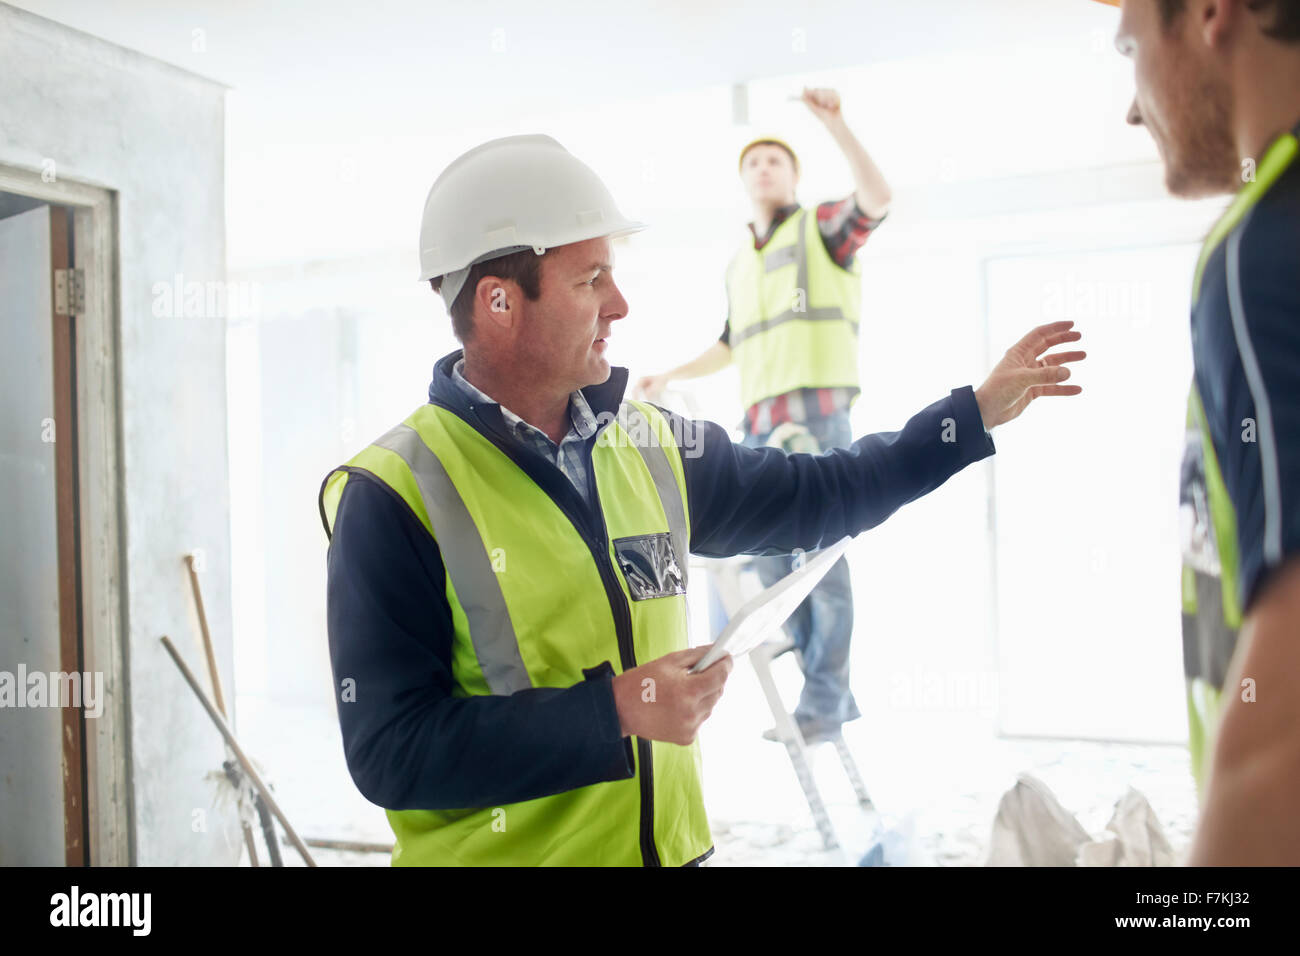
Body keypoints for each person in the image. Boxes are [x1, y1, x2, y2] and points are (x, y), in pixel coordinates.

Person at [318, 133, 1084, 866]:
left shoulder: (650, 445)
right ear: (498, 302)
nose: (619, 305)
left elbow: (817, 493)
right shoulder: (394, 494)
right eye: (591, 280)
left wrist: (967, 418)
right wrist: (612, 711)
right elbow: (392, 752)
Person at [1097, 0, 1300, 863]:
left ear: (1212, 12)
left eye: (1132, 48)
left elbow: (1285, 731)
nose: (1134, 108)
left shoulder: (1264, 249)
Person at [636, 88, 892, 745]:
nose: (765, 169)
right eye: (755, 163)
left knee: (823, 565)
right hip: (760, 420)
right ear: (743, 180)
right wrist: (671, 375)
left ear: (794, 175)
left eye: (777, 160)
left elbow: (877, 200)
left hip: (818, 417)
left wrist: (836, 123)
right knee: (775, 561)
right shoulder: (739, 264)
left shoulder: (821, 232)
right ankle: (826, 690)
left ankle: (826, 705)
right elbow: (732, 343)